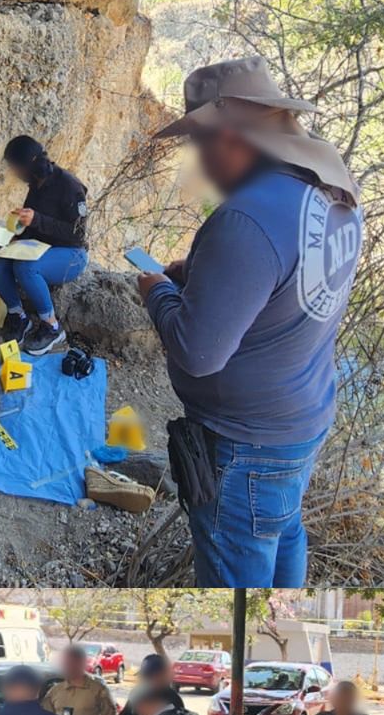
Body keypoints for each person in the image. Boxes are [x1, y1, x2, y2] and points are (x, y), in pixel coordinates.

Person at [139, 56, 363, 588]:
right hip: (301, 417)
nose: (199, 161)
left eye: (200, 144)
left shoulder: (246, 219)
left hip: (245, 446)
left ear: (230, 138)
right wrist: (205, 276)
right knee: (281, 530)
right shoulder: (329, 191)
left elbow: (197, 351)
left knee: (237, 582)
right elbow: (290, 279)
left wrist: (158, 291)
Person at [0, 135, 89, 355]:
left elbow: (78, 234)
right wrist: (20, 228)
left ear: (28, 164)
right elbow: (35, 224)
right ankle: (18, 316)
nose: (14, 173)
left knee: (26, 267)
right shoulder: (36, 183)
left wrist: (36, 219)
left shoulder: (69, 185)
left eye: (15, 167)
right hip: (40, 247)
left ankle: (52, 327)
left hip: (71, 254)